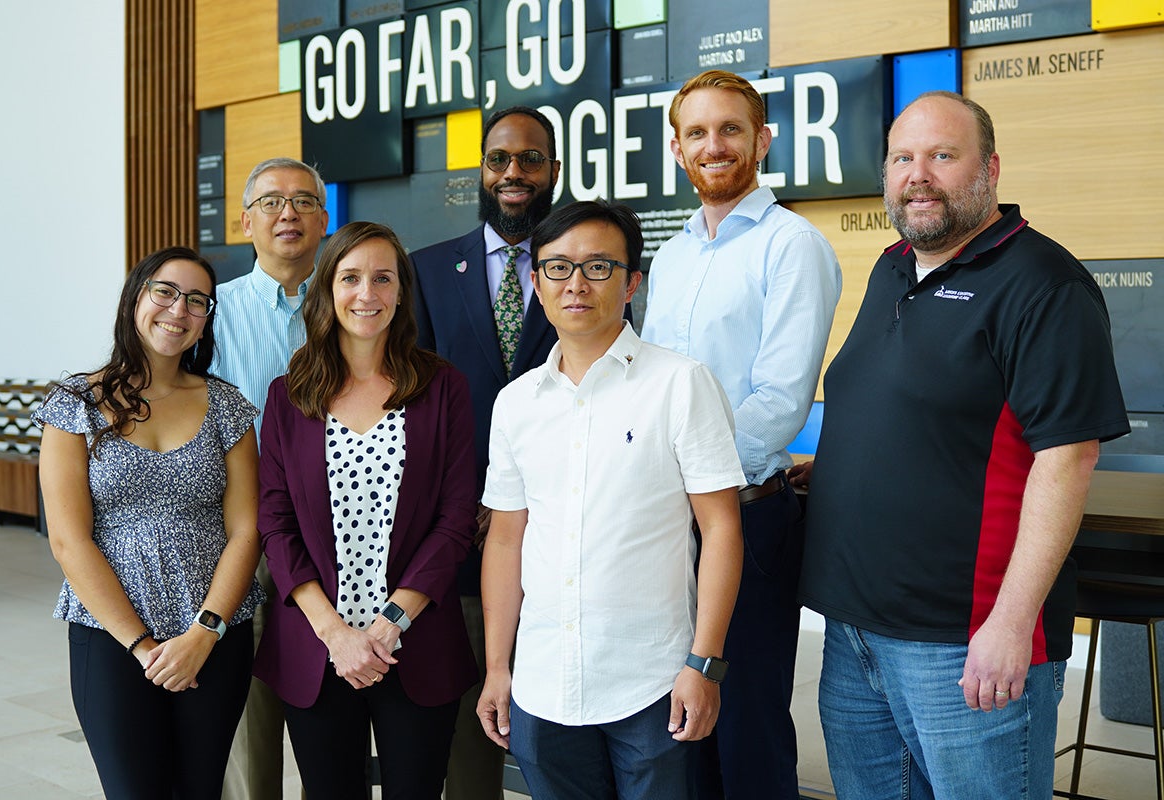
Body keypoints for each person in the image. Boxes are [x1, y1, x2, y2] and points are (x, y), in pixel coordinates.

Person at [797, 91, 1130, 799]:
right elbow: (914, 421)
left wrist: (1010, 626)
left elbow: (1068, 458)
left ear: (991, 169)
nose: (919, 175)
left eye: (943, 156)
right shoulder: (892, 267)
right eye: (902, 158)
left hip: (964, 643)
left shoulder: (1045, 283)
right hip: (854, 633)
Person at [477, 200, 745, 800]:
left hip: (652, 684)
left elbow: (722, 529)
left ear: (631, 284)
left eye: (599, 267)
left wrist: (704, 665)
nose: (576, 284)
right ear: (537, 284)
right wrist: (499, 668)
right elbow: (505, 538)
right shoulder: (516, 403)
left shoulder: (681, 384)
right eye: (557, 268)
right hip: (542, 684)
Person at [640, 68, 842, 799]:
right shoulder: (672, 255)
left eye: (730, 129)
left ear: (761, 139)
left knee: (747, 725)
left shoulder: (793, 245)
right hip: (667, 524)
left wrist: (689, 477)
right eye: (697, 132)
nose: (713, 144)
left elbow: (782, 401)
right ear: (677, 149)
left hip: (747, 519)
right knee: (678, 722)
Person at [253, 221, 479, 798]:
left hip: (414, 642)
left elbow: (455, 521)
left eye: (383, 278)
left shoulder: (443, 387)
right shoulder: (289, 395)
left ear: (402, 290)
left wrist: (388, 625)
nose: (367, 293)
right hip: (316, 646)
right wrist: (336, 634)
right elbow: (275, 525)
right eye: (351, 278)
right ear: (328, 289)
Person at [35, 246, 265, 799]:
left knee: (200, 789)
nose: (178, 309)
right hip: (111, 637)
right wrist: (142, 646)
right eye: (164, 291)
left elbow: (247, 531)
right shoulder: (76, 403)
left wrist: (202, 634)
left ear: (207, 319)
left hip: (212, 635)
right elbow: (69, 541)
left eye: (197, 301)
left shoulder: (227, 405)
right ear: (136, 297)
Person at [409, 105, 561, 800]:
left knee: (563, 724)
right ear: (481, 169)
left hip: (564, 527)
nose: (513, 173)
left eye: (530, 159)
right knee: (475, 717)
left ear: (554, 170)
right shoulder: (428, 270)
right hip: (462, 535)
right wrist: (460, 502)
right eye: (499, 159)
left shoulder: (580, 269)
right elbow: (413, 408)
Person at [213, 156, 329, 800]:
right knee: (249, 720)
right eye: (272, 201)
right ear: (246, 220)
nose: (288, 213)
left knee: (330, 711)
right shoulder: (215, 314)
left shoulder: (355, 304)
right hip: (246, 535)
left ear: (324, 217)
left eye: (304, 200)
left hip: (341, 537)